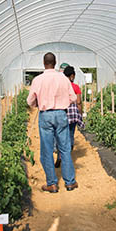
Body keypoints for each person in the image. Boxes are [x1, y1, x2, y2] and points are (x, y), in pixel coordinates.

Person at [27, 52, 78, 193]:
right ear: (55, 63)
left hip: (46, 115)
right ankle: (70, 182)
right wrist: (63, 102)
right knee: (64, 148)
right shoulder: (63, 79)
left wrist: (39, 102)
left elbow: (30, 101)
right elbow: (73, 98)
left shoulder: (38, 80)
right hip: (61, 114)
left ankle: (52, 184)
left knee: (47, 150)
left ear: (44, 63)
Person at [55, 66, 85, 168]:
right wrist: (80, 115)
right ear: (72, 76)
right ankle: (67, 157)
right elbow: (79, 102)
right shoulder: (75, 87)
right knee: (71, 135)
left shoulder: (59, 86)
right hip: (72, 115)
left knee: (60, 136)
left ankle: (59, 156)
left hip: (62, 114)